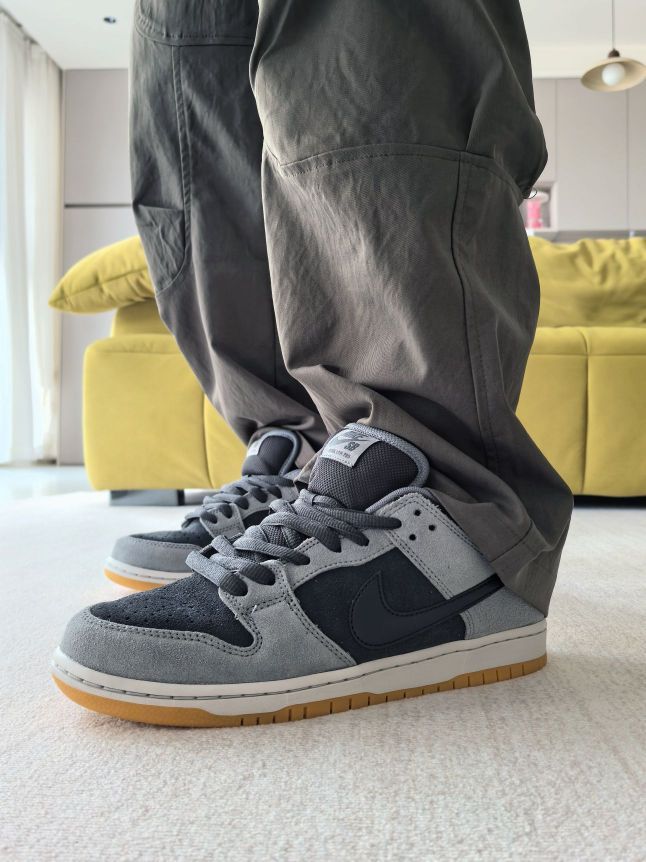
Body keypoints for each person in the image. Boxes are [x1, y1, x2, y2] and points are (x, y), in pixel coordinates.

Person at [52, 0, 572, 726]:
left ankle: (441, 517)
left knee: (357, 53)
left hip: (443, 511)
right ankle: (306, 463)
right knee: (198, 102)